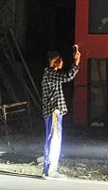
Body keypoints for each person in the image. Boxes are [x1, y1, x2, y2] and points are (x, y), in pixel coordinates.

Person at [41, 45, 81, 179]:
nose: (63, 63)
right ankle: (51, 171)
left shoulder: (50, 75)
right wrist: (77, 61)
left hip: (52, 112)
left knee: (52, 139)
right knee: (54, 139)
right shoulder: (51, 74)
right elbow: (68, 76)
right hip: (53, 112)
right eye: (61, 61)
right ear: (56, 61)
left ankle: (48, 169)